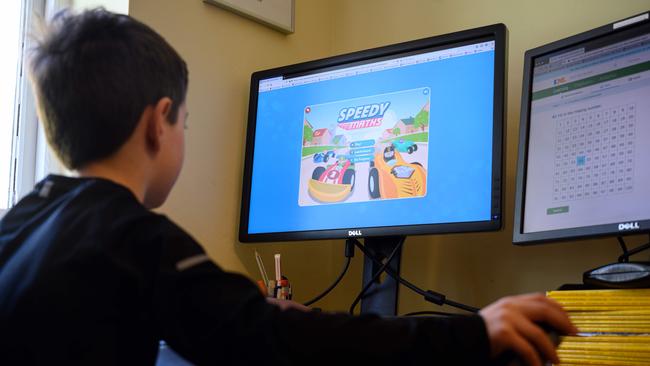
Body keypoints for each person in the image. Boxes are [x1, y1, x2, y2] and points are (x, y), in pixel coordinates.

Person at [0, 8, 576, 366]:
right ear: (160, 122)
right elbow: (270, 340)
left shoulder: (22, 221)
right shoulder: (135, 239)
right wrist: (476, 333)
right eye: (186, 123)